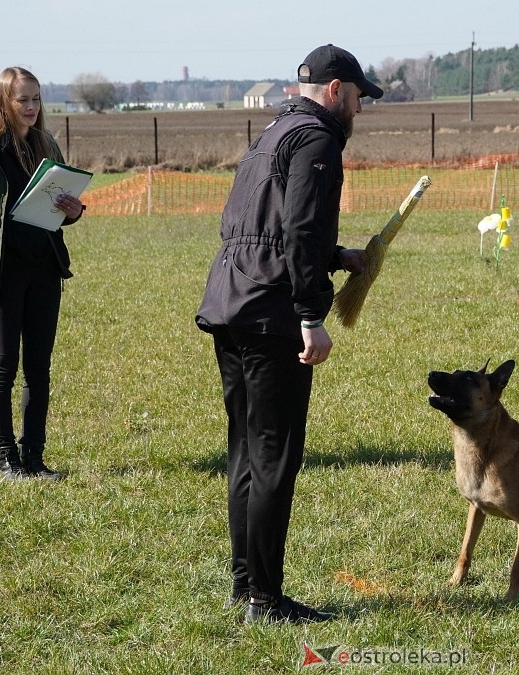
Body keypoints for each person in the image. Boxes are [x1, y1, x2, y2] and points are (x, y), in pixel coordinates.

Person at [195, 44, 383, 624]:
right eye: (356, 97)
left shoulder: (275, 130)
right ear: (334, 91)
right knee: (275, 457)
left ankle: (245, 584)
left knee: (246, 454)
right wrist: (311, 316)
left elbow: (265, 226)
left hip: (231, 303)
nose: (359, 108)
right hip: (273, 316)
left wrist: (337, 255)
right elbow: (299, 229)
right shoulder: (319, 138)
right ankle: (267, 602)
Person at [0, 66, 85, 481]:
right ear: (4, 102)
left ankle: (34, 458)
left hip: (45, 270)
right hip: (1, 274)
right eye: (22, 99)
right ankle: (6, 460)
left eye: (36, 99)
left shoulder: (47, 145)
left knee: (39, 367)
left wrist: (74, 211)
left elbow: (59, 212)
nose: (31, 107)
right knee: (4, 366)